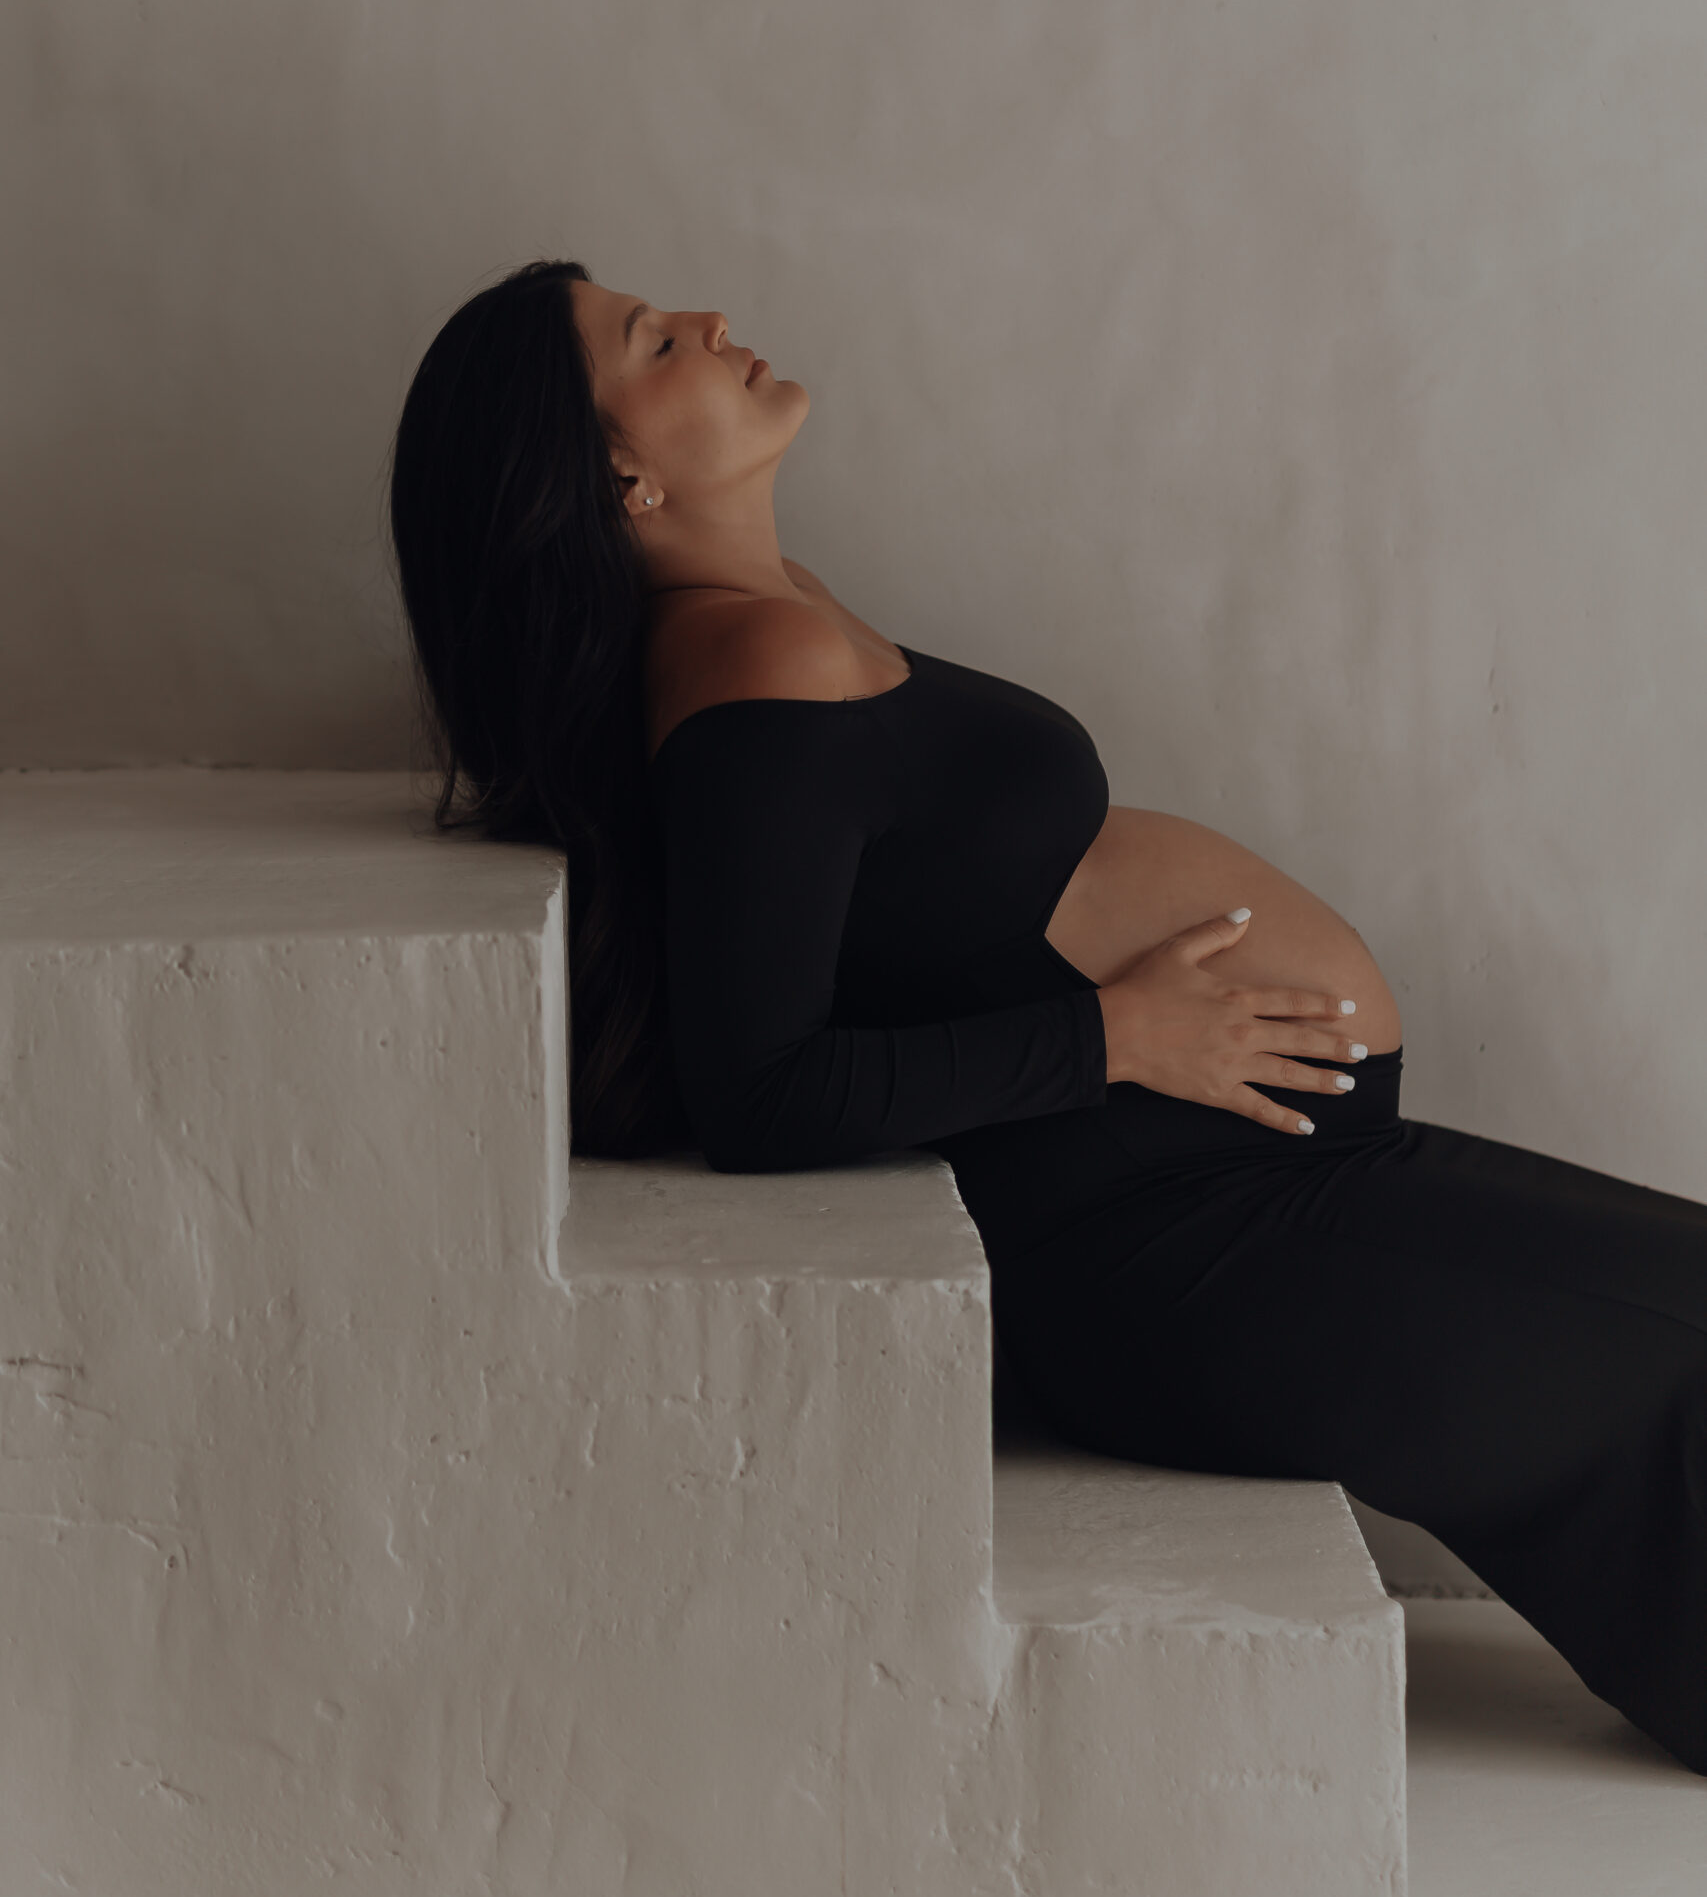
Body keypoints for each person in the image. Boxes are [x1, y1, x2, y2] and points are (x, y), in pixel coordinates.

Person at [389, 257, 1707, 1777]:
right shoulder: (756, 667)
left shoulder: (780, 615)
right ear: (619, 473)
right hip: (1184, 1242)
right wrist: (1121, 1037)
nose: (709, 322)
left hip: (1244, 1183)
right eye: (650, 341)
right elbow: (759, 1087)